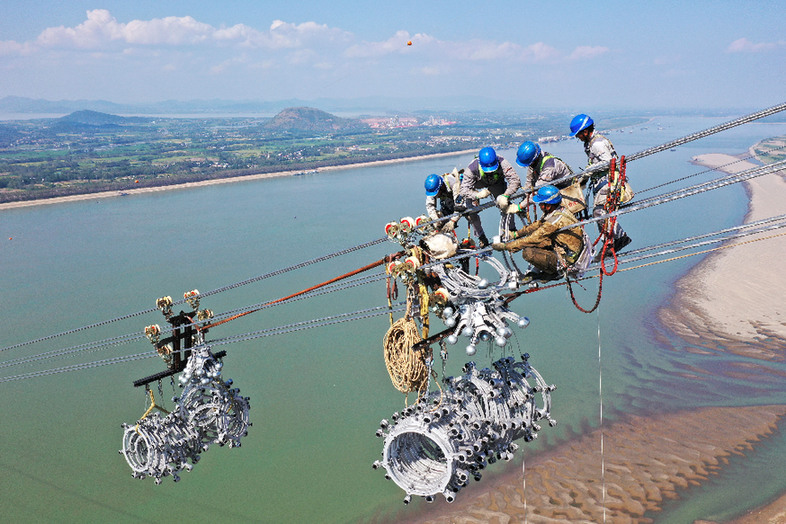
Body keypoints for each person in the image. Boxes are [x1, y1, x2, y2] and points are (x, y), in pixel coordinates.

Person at [491, 185, 586, 282]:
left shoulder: (554, 221)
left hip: (567, 258)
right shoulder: (557, 210)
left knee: (528, 253)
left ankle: (555, 271)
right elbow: (538, 224)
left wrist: (506, 246)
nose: (539, 205)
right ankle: (545, 267)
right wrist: (516, 234)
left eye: (541, 203)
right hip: (565, 245)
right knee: (536, 242)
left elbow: (533, 239)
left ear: (548, 205)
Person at [569, 113, 632, 257]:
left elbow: (609, 162)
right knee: (600, 213)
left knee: (599, 212)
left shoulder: (597, 144)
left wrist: (588, 171)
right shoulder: (592, 143)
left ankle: (619, 238)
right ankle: (609, 244)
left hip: (608, 182)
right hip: (603, 181)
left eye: (578, 134)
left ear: (585, 131)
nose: (578, 137)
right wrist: (585, 177)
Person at [459, 146, 521, 245]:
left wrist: (506, 195)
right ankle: (481, 237)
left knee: (505, 204)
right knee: (470, 211)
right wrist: (477, 195)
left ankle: (511, 230)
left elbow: (515, 180)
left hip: (496, 183)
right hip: (477, 184)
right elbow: (463, 190)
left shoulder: (502, 162)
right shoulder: (472, 168)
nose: (490, 171)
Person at [424, 169, 485, 240]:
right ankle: (446, 239)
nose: (436, 196)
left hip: (464, 196)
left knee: (471, 215)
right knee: (442, 219)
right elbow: (430, 206)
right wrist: (436, 221)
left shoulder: (453, 183)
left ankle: (482, 237)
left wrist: (452, 221)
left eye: (437, 194)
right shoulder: (432, 188)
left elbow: (459, 205)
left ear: (441, 186)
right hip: (449, 199)